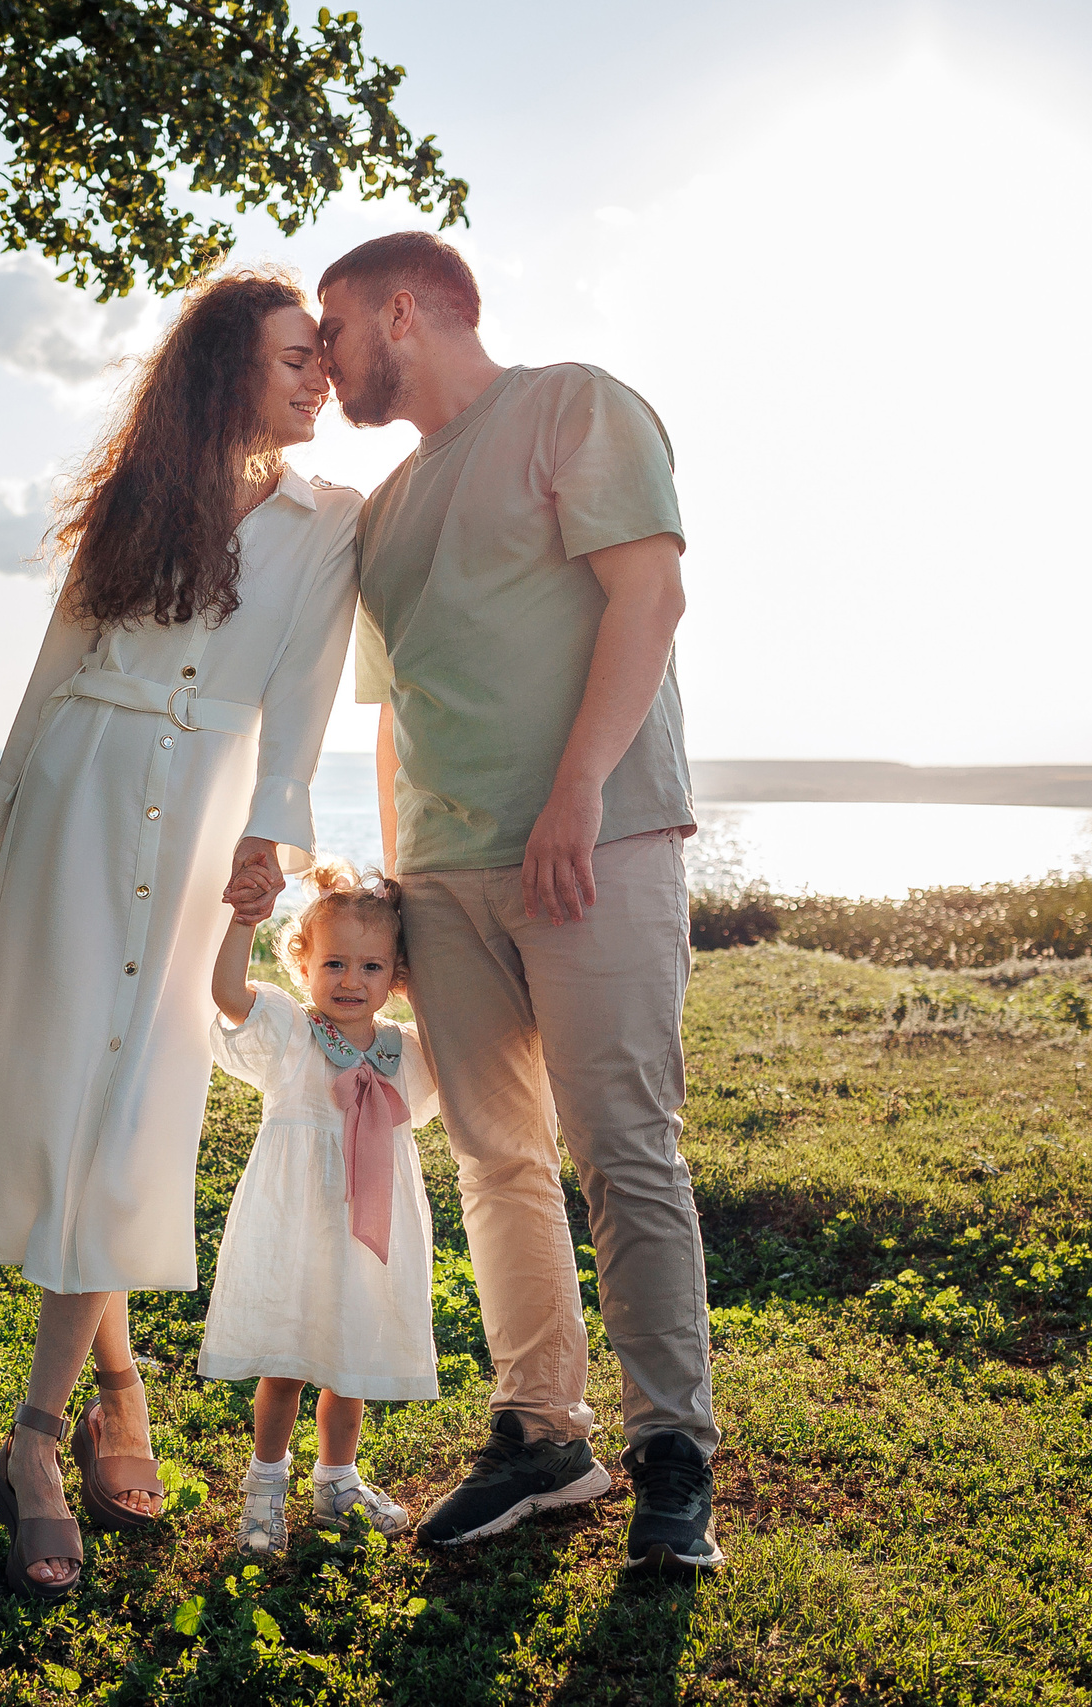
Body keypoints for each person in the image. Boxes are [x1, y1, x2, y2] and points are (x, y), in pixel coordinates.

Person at [309, 229, 725, 1573]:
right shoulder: (383, 512)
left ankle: (673, 1452)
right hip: (445, 876)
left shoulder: (571, 405)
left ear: (405, 310)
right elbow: (395, 712)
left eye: (336, 325)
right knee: (496, 1158)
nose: (325, 356)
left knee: (624, 1146)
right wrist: (394, 892)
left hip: (594, 842)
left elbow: (649, 595)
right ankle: (543, 1432)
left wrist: (575, 793)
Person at [0, 267, 361, 1599]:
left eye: (323, 358)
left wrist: (271, 836)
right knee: (78, 1093)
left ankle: (37, 1436)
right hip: (78, 796)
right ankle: (111, 1391)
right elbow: (57, 665)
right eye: (295, 357)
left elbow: (306, 690)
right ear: (227, 368)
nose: (319, 377)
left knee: (134, 1104)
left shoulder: (331, 520)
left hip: (199, 823)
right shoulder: (138, 497)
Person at [201, 859, 441, 1555]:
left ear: (396, 977)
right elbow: (227, 993)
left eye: (372, 967)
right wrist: (243, 920)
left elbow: (469, 1042)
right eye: (334, 962)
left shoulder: (407, 1050)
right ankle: (264, 1488)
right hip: (296, 1226)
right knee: (288, 1359)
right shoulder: (291, 1033)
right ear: (302, 962)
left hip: (366, 1233)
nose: (350, 980)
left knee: (348, 1355)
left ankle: (338, 1481)